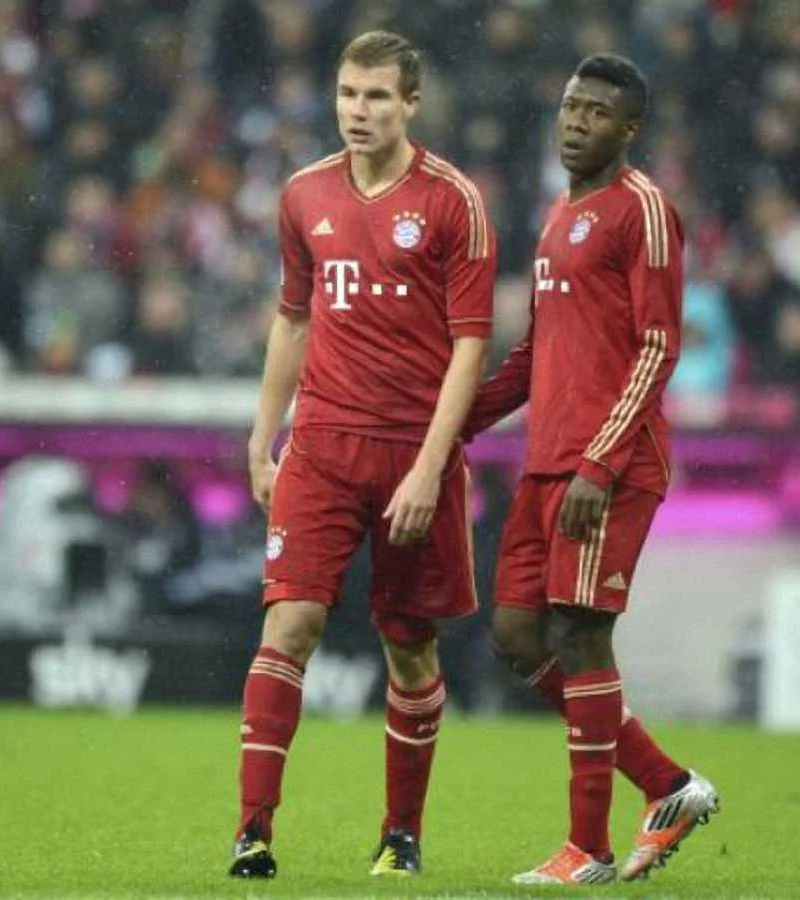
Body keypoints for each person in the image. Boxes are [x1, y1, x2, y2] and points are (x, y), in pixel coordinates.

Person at [231, 31, 495, 879]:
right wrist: (262, 436)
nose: (359, 110)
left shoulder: (453, 201)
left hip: (413, 452)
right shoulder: (303, 193)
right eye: (348, 93)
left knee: (410, 645)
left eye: (378, 96)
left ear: (411, 103)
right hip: (321, 446)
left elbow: (470, 346)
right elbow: (292, 320)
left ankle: (400, 836)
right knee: (289, 623)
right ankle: (252, 832)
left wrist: (430, 466)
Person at [464, 54, 719, 886]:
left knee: (580, 634)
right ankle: (667, 785)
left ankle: (589, 849)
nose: (577, 122)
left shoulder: (644, 210)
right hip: (546, 462)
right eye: (571, 106)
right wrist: (452, 426)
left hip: (609, 465)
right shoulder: (558, 214)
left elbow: (658, 346)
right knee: (515, 635)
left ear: (629, 129)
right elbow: (535, 353)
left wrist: (600, 462)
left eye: (597, 112)